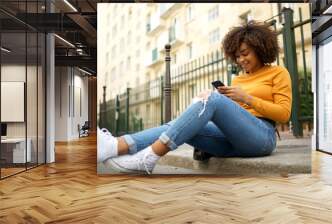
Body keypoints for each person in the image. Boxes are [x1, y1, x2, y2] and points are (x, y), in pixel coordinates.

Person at [98, 21, 292, 174]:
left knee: (213, 101)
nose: (241, 60)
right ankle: (116, 146)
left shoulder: (278, 73)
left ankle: (148, 157)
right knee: (180, 123)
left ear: (259, 48)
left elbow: (284, 115)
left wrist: (247, 98)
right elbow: (231, 115)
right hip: (232, 142)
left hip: (262, 138)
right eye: (236, 57)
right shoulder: (239, 78)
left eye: (244, 54)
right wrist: (209, 100)